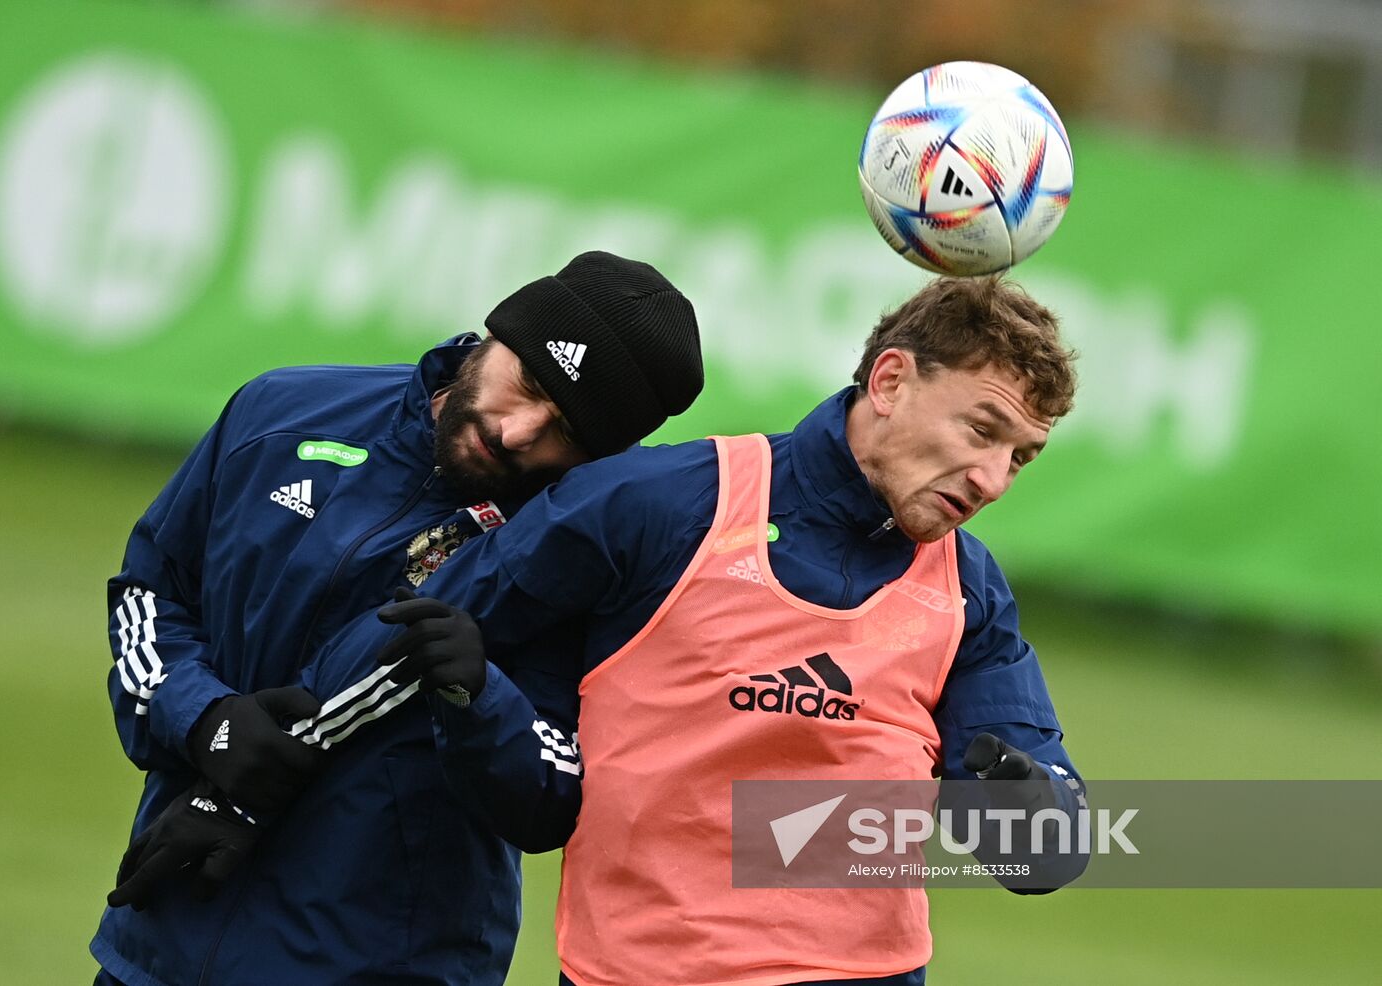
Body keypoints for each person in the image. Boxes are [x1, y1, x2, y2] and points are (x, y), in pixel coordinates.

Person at [118, 274, 1086, 984]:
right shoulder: (652, 503)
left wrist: (1033, 813)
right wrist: (232, 777)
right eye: (979, 430)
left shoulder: (969, 592)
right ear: (887, 381)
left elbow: (1046, 821)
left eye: (1024, 458)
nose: (992, 480)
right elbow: (423, 640)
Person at [91, 251, 705, 986]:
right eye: (529, 385)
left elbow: (555, 793)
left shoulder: (578, 548)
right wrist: (202, 718)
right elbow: (148, 593)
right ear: (498, 333)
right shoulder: (281, 412)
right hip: (163, 936)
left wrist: (480, 699)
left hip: (383, 967)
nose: (518, 432)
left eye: (564, 430)